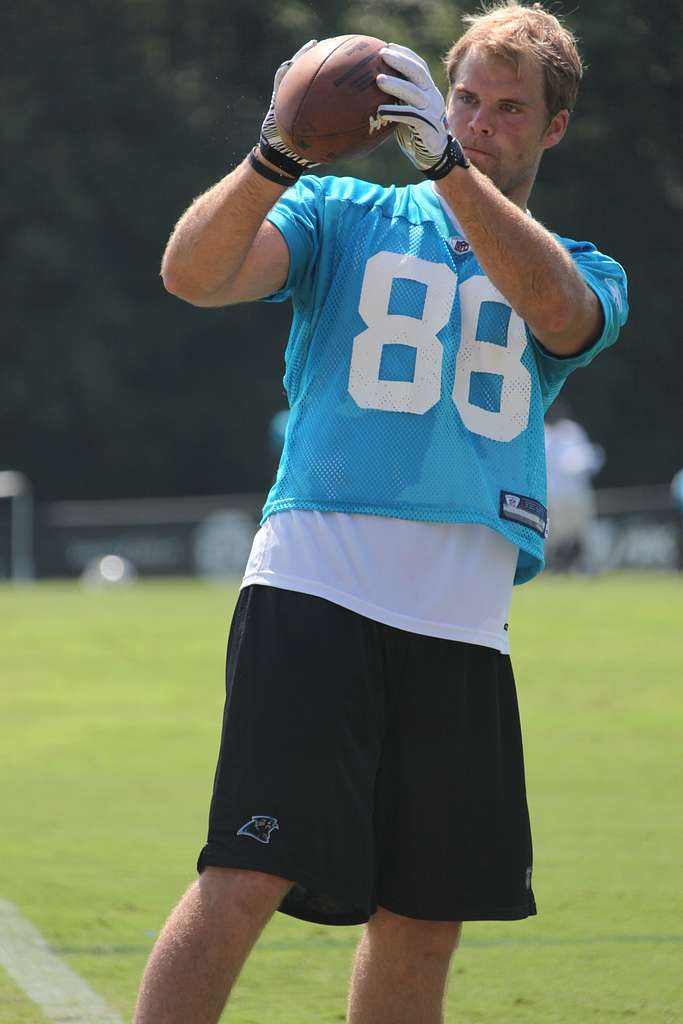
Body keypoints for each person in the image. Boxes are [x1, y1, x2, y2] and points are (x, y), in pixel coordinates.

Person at [135, 3, 628, 1021]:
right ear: (436, 99)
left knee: (423, 916)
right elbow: (191, 273)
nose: (480, 122)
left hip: (462, 620)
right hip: (319, 582)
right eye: (464, 100)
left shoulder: (580, 263)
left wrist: (449, 168)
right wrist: (275, 152)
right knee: (247, 872)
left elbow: (558, 314)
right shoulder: (341, 213)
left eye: (506, 109)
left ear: (551, 128)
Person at [544, 400, 605, 571]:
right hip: (554, 496)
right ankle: (553, 566)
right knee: (554, 535)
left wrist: (580, 462)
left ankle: (586, 565)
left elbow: (588, 457)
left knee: (582, 531)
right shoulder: (542, 433)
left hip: (577, 494)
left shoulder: (571, 430)